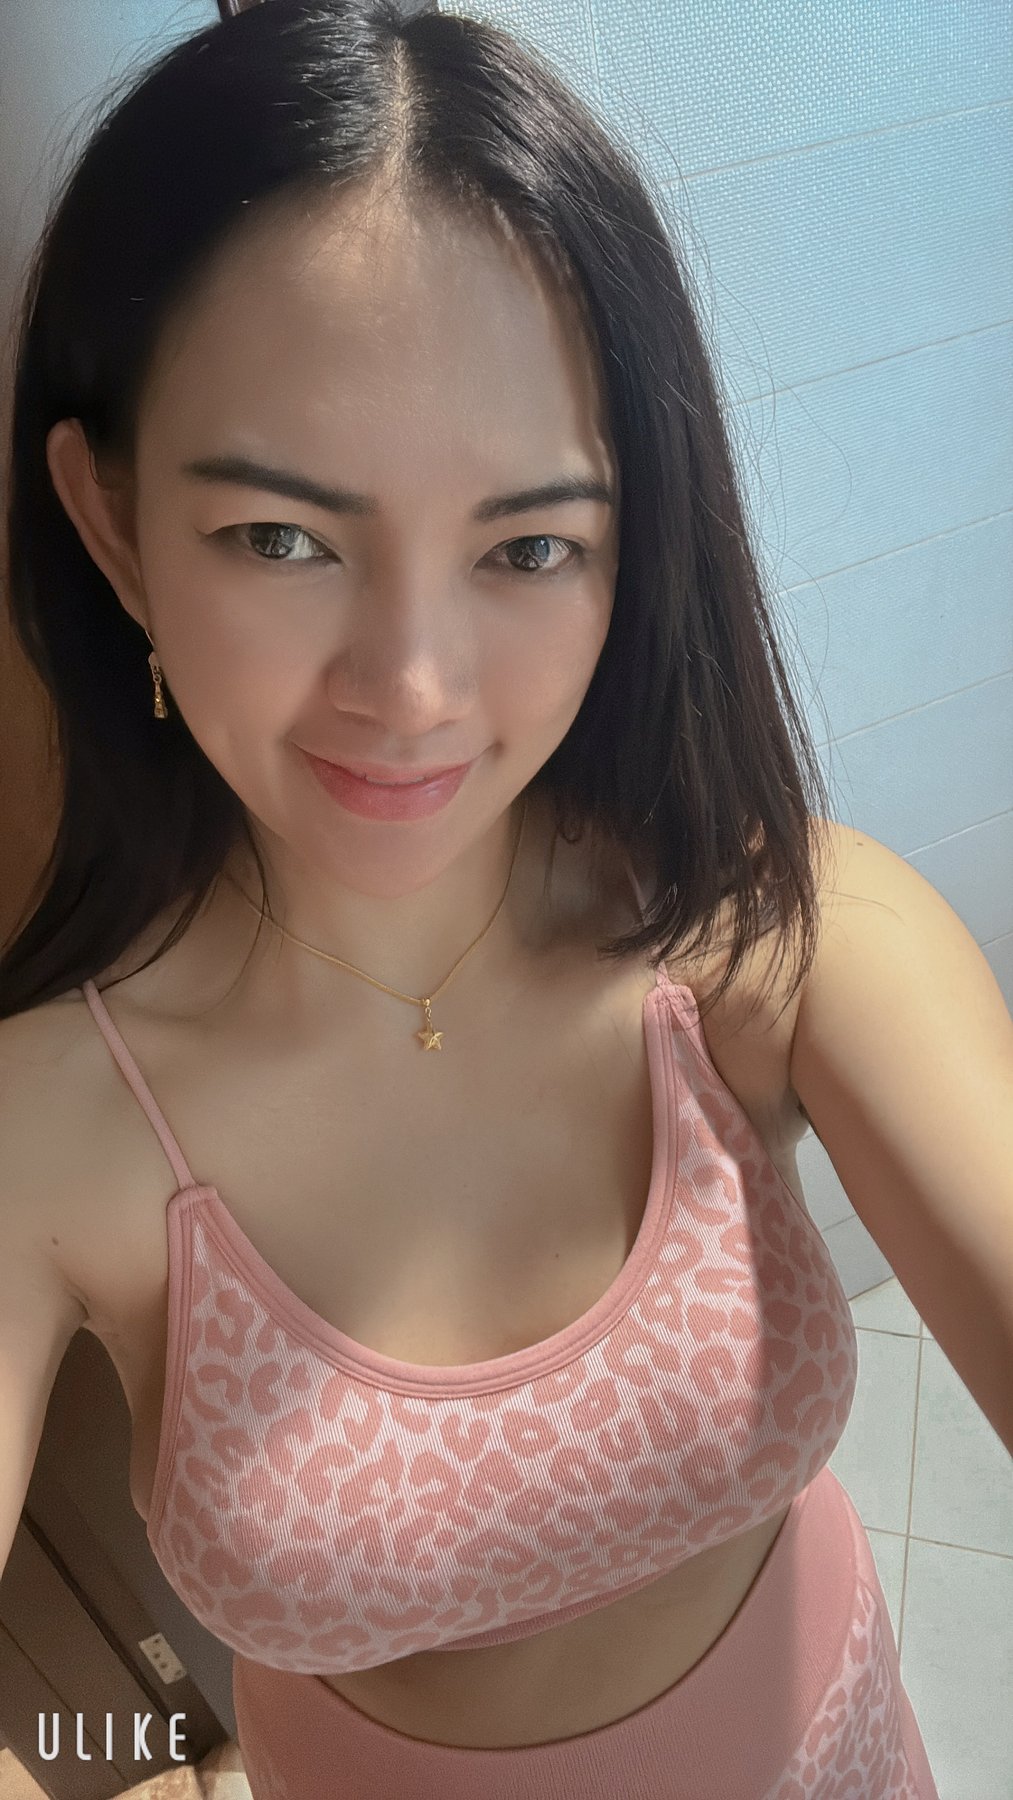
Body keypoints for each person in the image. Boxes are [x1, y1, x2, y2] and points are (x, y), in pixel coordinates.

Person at [0, 1, 942, 1794]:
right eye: (282, 536)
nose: (413, 687)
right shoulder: (48, 1134)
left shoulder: (781, 941)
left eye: (527, 547)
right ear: (112, 527)